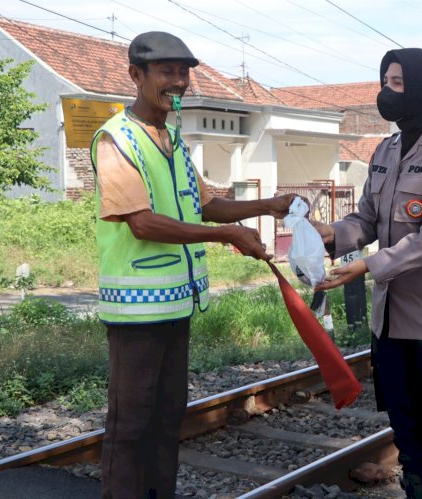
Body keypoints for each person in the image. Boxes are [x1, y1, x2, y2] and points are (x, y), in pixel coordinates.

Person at [90, 31, 294, 499]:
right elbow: (141, 223)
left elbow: (206, 204)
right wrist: (226, 236)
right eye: (166, 71)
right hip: (135, 311)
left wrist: (269, 205)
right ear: (135, 75)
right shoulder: (117, 140)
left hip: (175, 305)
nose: (178, 81)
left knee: (167, 421)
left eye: (184, 71)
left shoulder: (173, 138)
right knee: (131, 424)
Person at [313, 48, 422, 498]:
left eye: (396, 83)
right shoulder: (385, 149)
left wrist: (367, 265)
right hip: (392, 326)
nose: (385, 92)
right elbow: (368, 220)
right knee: (410, 441)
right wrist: (331, 234)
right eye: (385, 81)